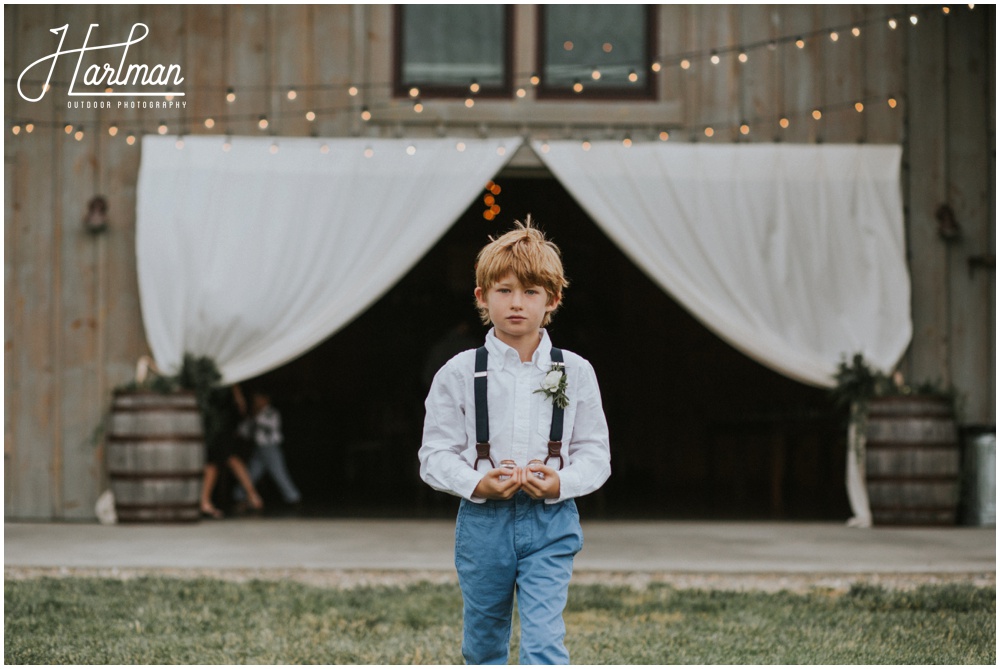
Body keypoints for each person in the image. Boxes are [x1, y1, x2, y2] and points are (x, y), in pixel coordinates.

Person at [418, 216, 611, 664]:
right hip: (484, 524)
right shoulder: (460, 372)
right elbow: (434, 454)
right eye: (504, 291)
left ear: (553, 300)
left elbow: (595, 453)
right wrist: (476, 483)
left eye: (530, 292)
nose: (516, 303)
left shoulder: (576, 371)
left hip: (551, 522)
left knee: (544, 644)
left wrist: (562, 482)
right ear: (482, 297)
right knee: (484, 643)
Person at [199, 385, 264, 519]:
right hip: (216, 423)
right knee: (222, 460)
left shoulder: (227, 384)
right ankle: (252, 495)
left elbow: (240, 407)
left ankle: (205, 501)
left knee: (220, 460)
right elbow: (241, 406)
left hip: (219, 424)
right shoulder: (222, 385)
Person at [234, 389, 302, 506]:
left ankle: (293, 497)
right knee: (251, 473)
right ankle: (239, 495)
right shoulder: (254, 414)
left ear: (265, 400)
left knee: (278, 472)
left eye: (258, 399)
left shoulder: (271, 412)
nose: (256, 402)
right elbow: (246, 430)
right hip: (258, 448)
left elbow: (267, 425)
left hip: (270, 447)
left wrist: (252, 416)